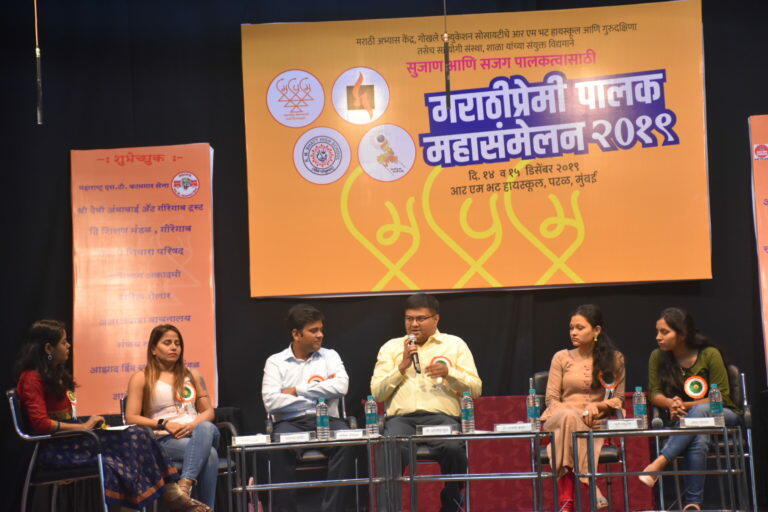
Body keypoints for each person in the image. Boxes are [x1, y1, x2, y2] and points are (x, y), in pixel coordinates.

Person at [14, 319, 210, 511]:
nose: (68, 346)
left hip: (75, 440)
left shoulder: (55, 375)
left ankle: (166, 497)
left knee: (137, 436)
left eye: (177, 343)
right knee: (135, 439)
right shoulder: (31, 378)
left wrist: (87, 426)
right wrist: (82, 427)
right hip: (56, 449)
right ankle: (172, 495)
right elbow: (41, 425)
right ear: (49, 348)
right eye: (64, 342)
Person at [370, 293, 482, 512]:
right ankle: (389, 508)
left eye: (420, 318)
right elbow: (377, 393)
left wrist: (450, 373)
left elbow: (476, 389)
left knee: (453, 447)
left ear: (436, 319)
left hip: (442, 419)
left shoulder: (454, 344)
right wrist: (402, 366)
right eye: (409, 318)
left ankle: (451, 503)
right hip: (401, 421)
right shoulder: (391, 348)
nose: (414, 324)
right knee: (389, 449)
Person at [640, 307, 741, 511]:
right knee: (699, 437)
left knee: (700, 411)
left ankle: (660, 462)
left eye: (664, 332)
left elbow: (721, 396)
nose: (658, 337)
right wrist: (671, 403)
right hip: (684, 421)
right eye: (658, 331)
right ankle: (693, 504)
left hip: (722, 414)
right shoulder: (657, 356)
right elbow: (654, 393)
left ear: (682, 334)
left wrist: (684, 406)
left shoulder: (709, 354)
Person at [261, 304, 356, 512]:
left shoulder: (330, 356)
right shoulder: (276, 362)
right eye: (313, 330)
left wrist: (297, 390)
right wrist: (321, 393)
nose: (320, 335)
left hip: (328, 420)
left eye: (321, 329)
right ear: (296, 334)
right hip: (291, 423)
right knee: (279, 447)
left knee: (349, 443)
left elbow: (341, 387)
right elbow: (271, 402)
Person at [541, 304, 625, 512]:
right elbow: (551, 400)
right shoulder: (561, 357)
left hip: (593, 426)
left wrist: (598, 405)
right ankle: (591, 485)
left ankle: (566, 504)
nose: (573, 332)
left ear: (596, 330)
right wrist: (575, 414)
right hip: (559, 420)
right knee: (568, 417)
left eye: (580, 328)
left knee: (567, 438)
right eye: (571, 328)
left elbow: (618, 399)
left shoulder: (615, 359)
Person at [125, 324, 220, 508]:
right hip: (166, 440)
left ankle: (183, 488)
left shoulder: (191, 374)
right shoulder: (141, 377)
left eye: (177, 343)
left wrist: (192, 426)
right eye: (167, 343)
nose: (174, 347)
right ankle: (204, 509)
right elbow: (131, 417)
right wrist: (164, 424)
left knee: (206, 426)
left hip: (199, 433)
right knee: (211, 454)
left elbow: (209, 412)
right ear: (153, 349)